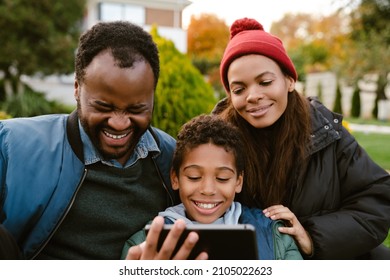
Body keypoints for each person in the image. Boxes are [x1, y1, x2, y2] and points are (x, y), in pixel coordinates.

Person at [0, 20, 198, 260]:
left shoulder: (173, 159)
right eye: (103, 106)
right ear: (76, 88)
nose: (119, 122)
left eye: (136, 109)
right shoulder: (12, 146)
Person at [213, 17, 390, 259]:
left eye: (265, 82)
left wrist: (311, 237)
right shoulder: (216, 142)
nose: (253, 96)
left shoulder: (327, 131)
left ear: (289, 80)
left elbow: (377, 199)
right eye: (239, 89)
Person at [123, 114, 303, 260]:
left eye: (222, 178)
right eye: (194, 177)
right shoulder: (145, 243)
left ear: (238, 181)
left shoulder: (275, 236)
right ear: (175, 178)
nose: (208, 189)